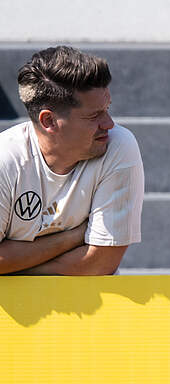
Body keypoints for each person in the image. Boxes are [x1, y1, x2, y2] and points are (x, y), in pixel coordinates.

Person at [0, 46, 143, 275]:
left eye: (107, 109)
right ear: (49, 121)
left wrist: (14, 269)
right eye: (94, 115)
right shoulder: (5, 159)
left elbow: (100, 264)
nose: (109, 124)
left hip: (89, 305)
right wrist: (72, 238)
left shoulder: (118, 145)